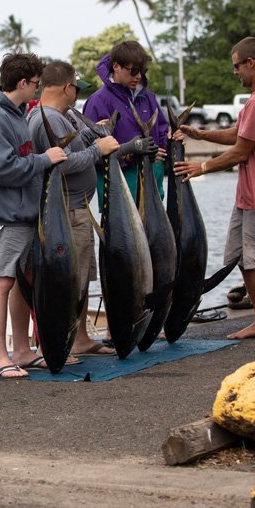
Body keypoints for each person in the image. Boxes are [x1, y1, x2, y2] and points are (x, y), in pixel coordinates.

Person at [173, 37, 255, 346]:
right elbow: (238, 134)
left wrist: (201, 167)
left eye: (237, 66)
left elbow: (240, 152)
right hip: (248, 196)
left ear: (252, 63)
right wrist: (199, 133)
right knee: (242, 258)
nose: (235, 72)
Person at [27, 61, 155, 355]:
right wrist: (100, 150)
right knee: (70, 282)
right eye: (76, 90)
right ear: (67, 88)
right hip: (68, 212)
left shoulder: (58, 116)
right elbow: (63, 163)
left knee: (82, 279)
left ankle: (81, 337)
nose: (77, 97)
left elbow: (70, 151)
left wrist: (89, 134)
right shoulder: (48, 119)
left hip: (75, 209)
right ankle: (65, 343)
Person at [0, 53, 68, 378]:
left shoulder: (16, 115)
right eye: (35, 84)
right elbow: (0, 168)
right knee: (3, 281)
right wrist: (44, 160)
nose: (38, 90)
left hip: (24, 213)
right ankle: (0, 359)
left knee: (23, 281)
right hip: (8, 214)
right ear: (24, 82)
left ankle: (23, 351)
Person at [83, 40, 169, 201]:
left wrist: (172, 142)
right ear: (116, 66)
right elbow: (89, 153)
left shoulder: (149, 98)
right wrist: (129, 154)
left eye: (142, 71)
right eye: (134, 70)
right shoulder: (98, 101)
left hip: (152, 192)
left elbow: (163, 136)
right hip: (118, 197)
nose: (138, 76)